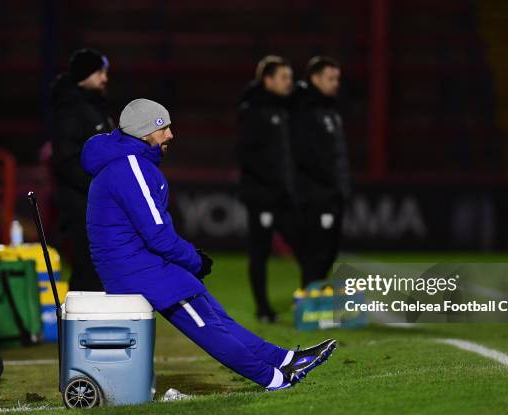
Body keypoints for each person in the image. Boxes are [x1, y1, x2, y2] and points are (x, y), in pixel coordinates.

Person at [81, 98, 336, 391]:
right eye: (163, 128)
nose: (170, 135)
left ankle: (286, 359)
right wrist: (194, 260)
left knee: (215, 315)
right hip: (136, 270)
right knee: (207, 327)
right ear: (143, 133)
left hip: (140, 263)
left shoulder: (127, 164)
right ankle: (275, 379)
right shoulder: (129, 167)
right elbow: (157, 234)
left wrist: (189, 260)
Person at [236, 55, 303, 322]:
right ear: (268, 79)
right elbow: (247, 155)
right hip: (262, 195)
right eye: (284, 77)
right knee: (260, 251)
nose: (290, 82)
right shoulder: (252, 109)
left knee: (304, 247)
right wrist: (268, 185)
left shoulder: (284, 108)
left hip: (284, 194)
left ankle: (309, 303)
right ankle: (263, 309)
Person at [50, 48, 113, 291]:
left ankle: (91, 325)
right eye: (99, 72)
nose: (105, 78)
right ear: (85, 74)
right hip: (80, 206)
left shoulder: (93, 105)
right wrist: (99, 186)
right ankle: (79, 326)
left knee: (97, 268)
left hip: (94, 203)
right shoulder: (71, 108)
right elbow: (66, 161)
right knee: (87, 269)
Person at [291, 56, 352, 286]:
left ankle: (314, 299)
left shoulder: (330, 110)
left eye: (337, 78)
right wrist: (330, 183)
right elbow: (305, 154)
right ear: (315, 79)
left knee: (329, 251)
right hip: (316, 194)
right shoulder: (304, 110)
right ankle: (309, 303)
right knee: (316, 252)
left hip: (332, 193)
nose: (336, 83)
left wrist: (342, 187)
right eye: (330, 78)